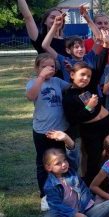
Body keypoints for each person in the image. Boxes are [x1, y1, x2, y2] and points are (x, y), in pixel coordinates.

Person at [42, 130, 109, 217]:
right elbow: (58, 206)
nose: (64, 164)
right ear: (48, 167)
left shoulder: (71, 171)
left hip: (86, 209)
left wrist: (66, 138)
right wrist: (78, 216)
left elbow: (73, 154)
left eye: (64, 160)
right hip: (70, 215)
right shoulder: (49, 186)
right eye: (58, 163)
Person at [62, 62, 109, 186]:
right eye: (82, 75)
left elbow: (98, 68)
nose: (86, 78)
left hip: (107, 124)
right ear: (72, 75)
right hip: (91, 130)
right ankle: (94, 188)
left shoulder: (89, 86)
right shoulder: (69, 96)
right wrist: (88, 107)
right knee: (95, 159)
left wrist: (105, 45)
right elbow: (73, 119)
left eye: (88, 76)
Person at [27, 53, 70, 194]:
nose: (48, 69)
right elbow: (31, 96)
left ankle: (62, 190)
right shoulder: (34, 82)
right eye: (44, 66)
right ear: (37, 68)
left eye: (51, 66)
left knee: (61, 161)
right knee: (43, 163)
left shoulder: (57, 81)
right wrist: (41, 77)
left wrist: (71, 71)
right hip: (42, 131)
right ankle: (45, 194)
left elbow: (72, 87)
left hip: (60, 131)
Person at [1, 0, 68, 58]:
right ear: (45, 21)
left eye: (59, 18)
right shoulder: (39, 38)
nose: (56, 20)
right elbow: (28, 17)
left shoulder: (68, 42)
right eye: (52, 17)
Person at [41, 14, 107, 82]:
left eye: (82, 46)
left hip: (91, 91)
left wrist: (87, 18)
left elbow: (99, 38)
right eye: (76, 47)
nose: (80, 49)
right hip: (73, 92)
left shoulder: (89, 57)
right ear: (68, 50)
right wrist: (55, 25)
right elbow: (45, 46)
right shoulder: (65, 61)